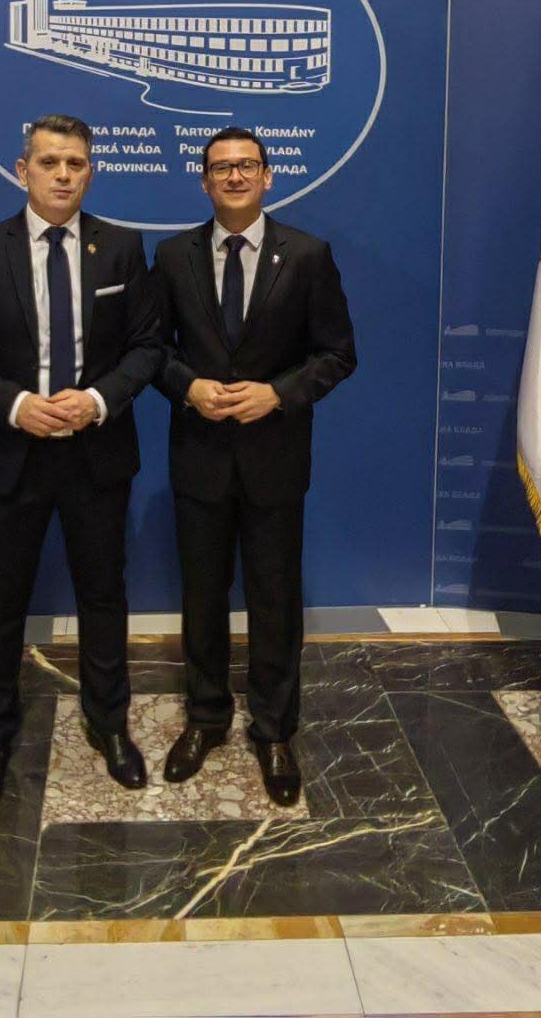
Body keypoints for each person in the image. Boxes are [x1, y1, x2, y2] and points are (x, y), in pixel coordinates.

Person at [0, 113, 161, 814]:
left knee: (104, 593)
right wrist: (13, 404)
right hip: (11, 455)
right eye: (50, 162)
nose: (63, 174)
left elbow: (148, 347)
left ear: (91, 172)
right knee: (2, 599)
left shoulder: (121, 247)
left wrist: (97, 400)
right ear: (21, 170)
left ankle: (109, 723)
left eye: (76, 163)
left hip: (97, 454)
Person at [152, 128, 356, 805]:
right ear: (204, 181)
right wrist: (187, 386)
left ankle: (273, 729)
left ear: (268, 176)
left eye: (246, 165)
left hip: (276, 458)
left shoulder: (308, 255)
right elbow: (151, 349)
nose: (234, 176)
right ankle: (206, 718)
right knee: (202, 597)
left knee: (274, 599)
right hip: (199, 458)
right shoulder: (173, 256)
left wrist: (278, 394)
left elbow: (337, 354)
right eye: (221, 168)